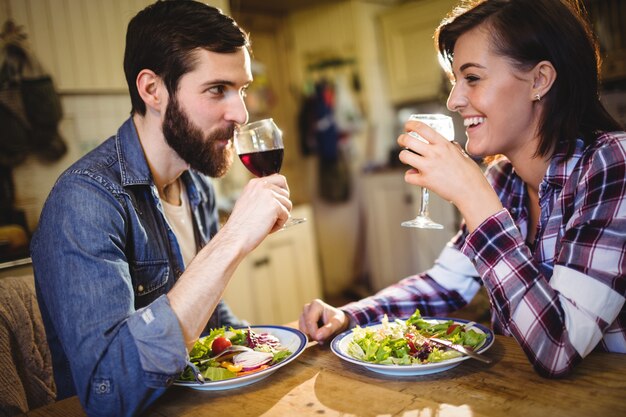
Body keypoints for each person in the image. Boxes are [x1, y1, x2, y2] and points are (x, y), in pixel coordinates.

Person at [300, 0, 625, 378]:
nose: (454, 100)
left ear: (539, 80)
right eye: (456, 80)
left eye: (472, 78)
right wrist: (349, 314)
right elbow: (444, 285)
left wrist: (475, 198)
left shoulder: (612, 164)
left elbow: (559, 348)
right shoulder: (504, 178)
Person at [30, 1, 293, 415]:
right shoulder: (86, 200)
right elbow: (108, 392)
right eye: (216, 89)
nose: (240, 113)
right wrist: (233, 238)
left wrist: (279, 345)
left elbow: (209, 321)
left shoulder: (197, 185)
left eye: (240, 90)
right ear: (152, 89)